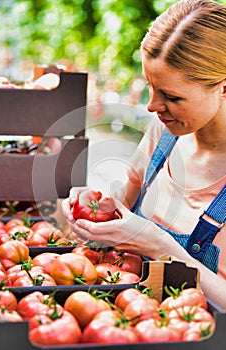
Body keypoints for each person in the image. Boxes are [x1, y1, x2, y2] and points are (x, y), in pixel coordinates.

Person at [62, 0, 226, 310]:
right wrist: (97, 210)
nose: (152, 106)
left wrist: (160, 246)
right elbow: (119, 213)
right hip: (131, 322)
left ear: (224, 87)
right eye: (150, 86)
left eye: (172, 96)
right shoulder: (163, 134)